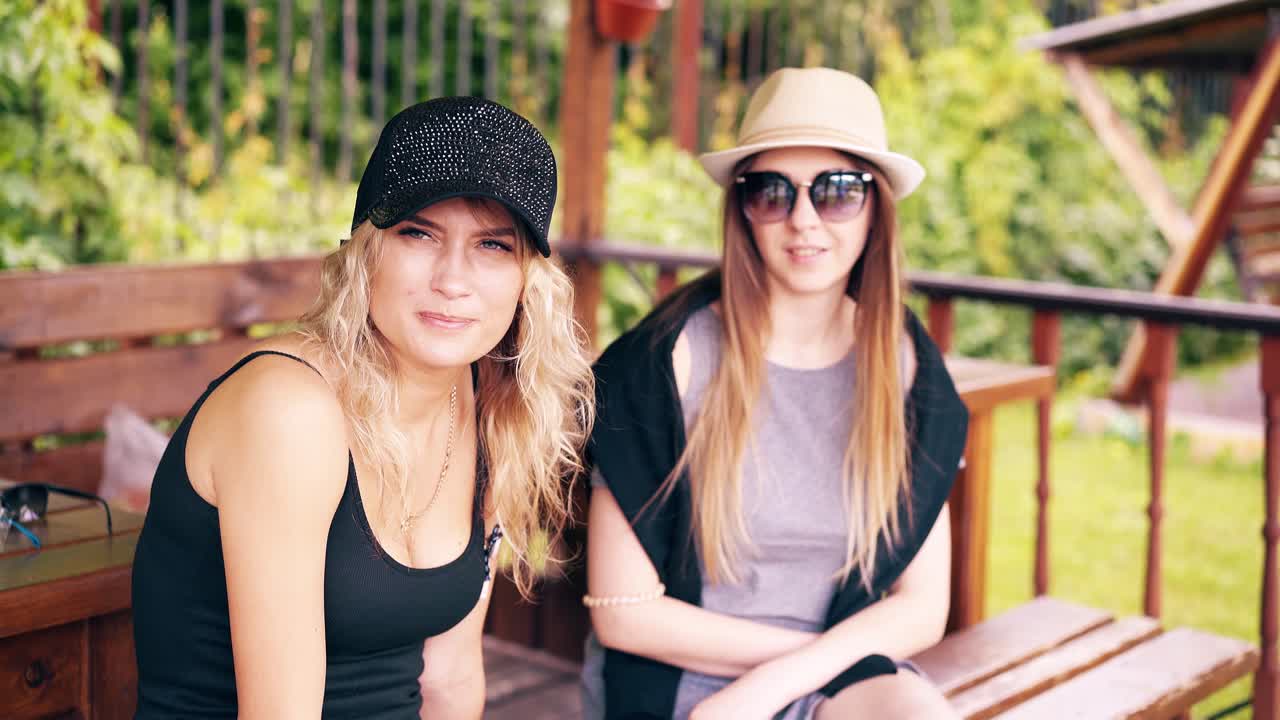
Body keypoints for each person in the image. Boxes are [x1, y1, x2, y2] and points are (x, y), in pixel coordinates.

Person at [131, 96, 594, 719]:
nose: (452, 279)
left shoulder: (491, 406)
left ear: (525, 280)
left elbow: (450, 679)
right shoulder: (288, 412)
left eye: (492, 246)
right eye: (419, 233)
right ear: (366, 251)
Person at [582, 67, 970, 720]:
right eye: (772, 192)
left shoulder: (907, 371)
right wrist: (798, 669)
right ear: (742, 208)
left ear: (876, 208)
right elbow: (624, 615)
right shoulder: (663, 364)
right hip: (679, 684)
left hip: (834, 675)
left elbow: (923, 607)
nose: (804, 220)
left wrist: (780, 682)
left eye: (838, 191)